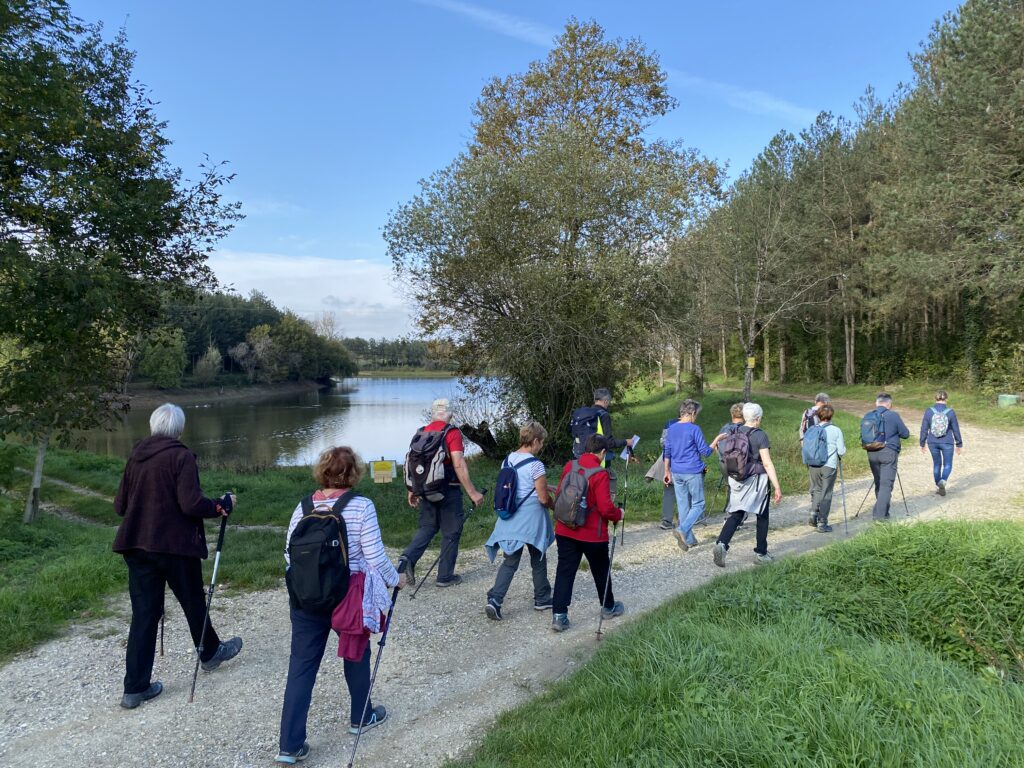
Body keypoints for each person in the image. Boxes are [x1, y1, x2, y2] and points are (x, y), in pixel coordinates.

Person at [276, 447, 407, 765]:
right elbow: (374, 557)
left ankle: (290, 745)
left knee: (302, 666)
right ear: (353, 474)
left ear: (322, 471)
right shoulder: (361, 506)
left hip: (306, 598)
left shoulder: (305, 505)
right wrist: (396, 580)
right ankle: (362, 716)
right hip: (347, 595)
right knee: (356, 651)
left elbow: (288, 553)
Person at [112, 403, 242, 710]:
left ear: (153, 426)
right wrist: (219, 504)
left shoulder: (136, 455)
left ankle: (135, 688)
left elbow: (120, 506)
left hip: (137, 545)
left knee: (145, 613)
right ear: (179, 429)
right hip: (174, 545)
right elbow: (190, 504)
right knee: (193, 601)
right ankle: (210, 653)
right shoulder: (180, 455)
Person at [402, 398, 484, 587]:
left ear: (432, 413)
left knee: (427, 527)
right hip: (448, 490)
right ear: (450, 414)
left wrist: (413, 490)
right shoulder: (452, 432)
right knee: (451, 531)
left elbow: (414, 464)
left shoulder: (421, 432)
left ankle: (407, 559)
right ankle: (445, 576)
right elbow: (458, 463)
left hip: (426, 488)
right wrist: (472, 492)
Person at [551, 435, 624, 632]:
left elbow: (559, 492)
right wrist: (619, 514)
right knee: (600, 570)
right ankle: (608, 607)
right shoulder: (600, 474)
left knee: (565, 571)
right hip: (592, 534)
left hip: (565, 529)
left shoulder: (570, 466)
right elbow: (606, 508)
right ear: (602, 453)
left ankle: (559, 616)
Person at [483, 422, 555, 620]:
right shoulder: (536, 464)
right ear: (536, 441)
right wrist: (555, 506)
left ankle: (495, 600)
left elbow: (518, 485)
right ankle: (542, 598)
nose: (542, 446)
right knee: (538, 557)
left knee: (510, 560)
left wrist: (547, 487)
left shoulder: (508, 460)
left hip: (511, 515)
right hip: (531, 517)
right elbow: (542, 498)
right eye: (541, 442)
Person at [712, 403, 783, 567]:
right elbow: (767, 463)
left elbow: (722, 452)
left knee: (736, 514)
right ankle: (761, 553)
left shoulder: (733, 431)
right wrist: (777, 486)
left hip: (736, 478)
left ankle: (721, 544)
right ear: (758, 418)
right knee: (762, 515)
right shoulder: (760, 435)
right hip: (756, 480)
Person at [662, 400, 713, 552]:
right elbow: (706, 452)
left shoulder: (671, 429)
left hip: (676, 471)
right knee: (699, 504)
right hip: (692, 471)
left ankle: (689, 539)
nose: (696, 417)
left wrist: (666, 471)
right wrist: (716, 441)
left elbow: (667, 452)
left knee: (683, 505)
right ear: (691, 413)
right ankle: (682, 529)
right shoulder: (694, 429)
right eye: (696, 414)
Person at [864, 393, 911, 521]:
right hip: (888, 453)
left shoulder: (869, 415)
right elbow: (905, 434)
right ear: (889, 404)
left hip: (871, 453)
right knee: (886, 485)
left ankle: (883, 512)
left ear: (877, 403)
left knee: (879, 483)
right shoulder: (893, 415)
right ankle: (879, 517)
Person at [569, 388, 635, 467]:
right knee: (609, 478)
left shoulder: (586, 415)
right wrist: (626, 442)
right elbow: (609, 443)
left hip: (579, 454)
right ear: (606, 401)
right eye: (608, 402)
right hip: (598, 459)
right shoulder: (604, 415)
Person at [807, 404, 846, 533]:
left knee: (817, 490)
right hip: (829, 465)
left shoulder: (812, 429)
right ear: (831, 416)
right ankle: (822, 523)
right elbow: (841, 450)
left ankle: (813, 515)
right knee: (826, 493)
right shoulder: (836, 430)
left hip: (813, 464)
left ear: (818, 416)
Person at [919, 390, 963, 496]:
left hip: (932, 442)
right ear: (946, 399)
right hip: (947, 442)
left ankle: (939, 485)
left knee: (936, 464)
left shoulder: (929, 411)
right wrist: (959, 444)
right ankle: (942, 482)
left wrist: (922, 443)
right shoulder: (950, 412)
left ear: (935, 398)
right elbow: (956, 429)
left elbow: (924, 428)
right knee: (947, 464)